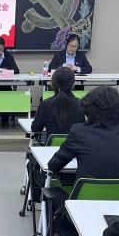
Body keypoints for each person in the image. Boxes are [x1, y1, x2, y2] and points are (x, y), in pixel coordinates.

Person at [46, 86, 119, 236]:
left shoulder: (79, 131)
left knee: (51, 194)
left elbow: (54, 165)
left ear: (88, 109)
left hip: (83, 208)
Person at [30, 67, 85, 203]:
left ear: (52, 84)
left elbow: (35, 129)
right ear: (73, 84)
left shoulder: (45, 104)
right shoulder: (82, 104)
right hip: (77, 154)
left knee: (31, 162)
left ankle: (36, 201)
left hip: (52, 157)